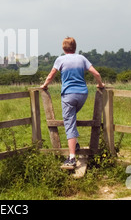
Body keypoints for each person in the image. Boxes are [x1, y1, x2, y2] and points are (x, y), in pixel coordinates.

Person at [40, 37, 105, 168]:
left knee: (69, 123)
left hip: (69, 95)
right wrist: (100, 84)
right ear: (75, 47)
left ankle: (71, 157)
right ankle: (74, 144)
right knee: (71, 118)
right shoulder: (82, 58)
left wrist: (45, 85)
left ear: (63, 48)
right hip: (82, 94)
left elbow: (51, 75)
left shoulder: (60, 60)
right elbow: (96, 73)